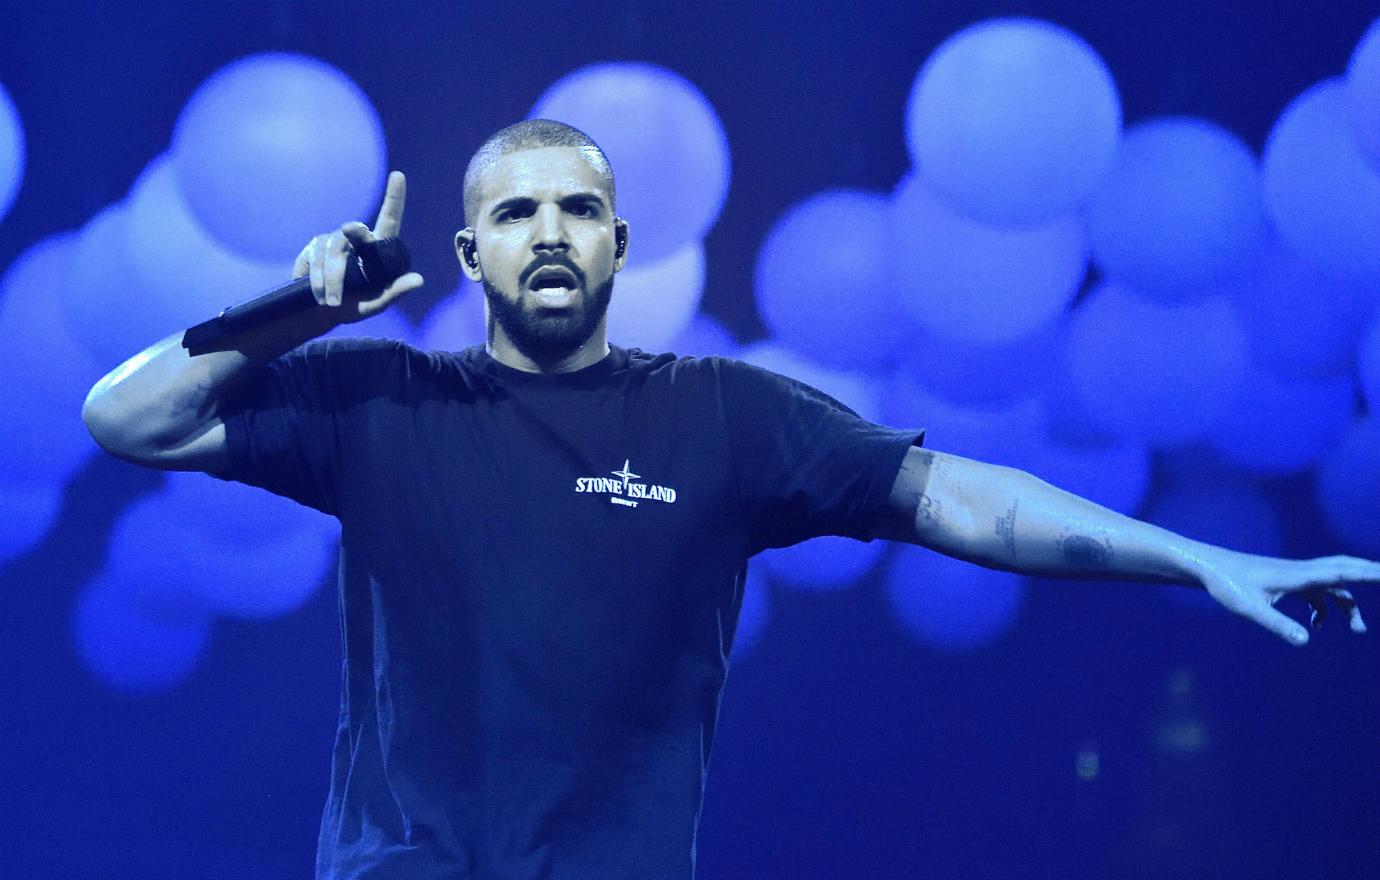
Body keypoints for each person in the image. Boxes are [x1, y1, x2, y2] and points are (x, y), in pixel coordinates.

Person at [82, 120, 1376, 880]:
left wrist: (1198, 559)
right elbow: (126, 419)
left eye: (579, 209)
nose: (550, 231)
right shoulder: (377, 399)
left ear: (618, 245)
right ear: (468, 252)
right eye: (517, 211)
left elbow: (964, 502)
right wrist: (301, 306)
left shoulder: (722, 413)